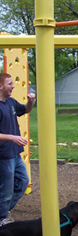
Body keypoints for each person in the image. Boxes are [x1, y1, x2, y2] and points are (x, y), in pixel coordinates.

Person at [0, 72, 35, 226]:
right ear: (0, 86)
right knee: (6, 191)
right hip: (3, 155)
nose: (13, 86)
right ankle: (2, 219)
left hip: (14, 154)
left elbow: (26, 110)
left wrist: (30, 101)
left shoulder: (11, 102)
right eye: (9, 84)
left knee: (22, 181)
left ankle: (3, 212)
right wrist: (13, 137)